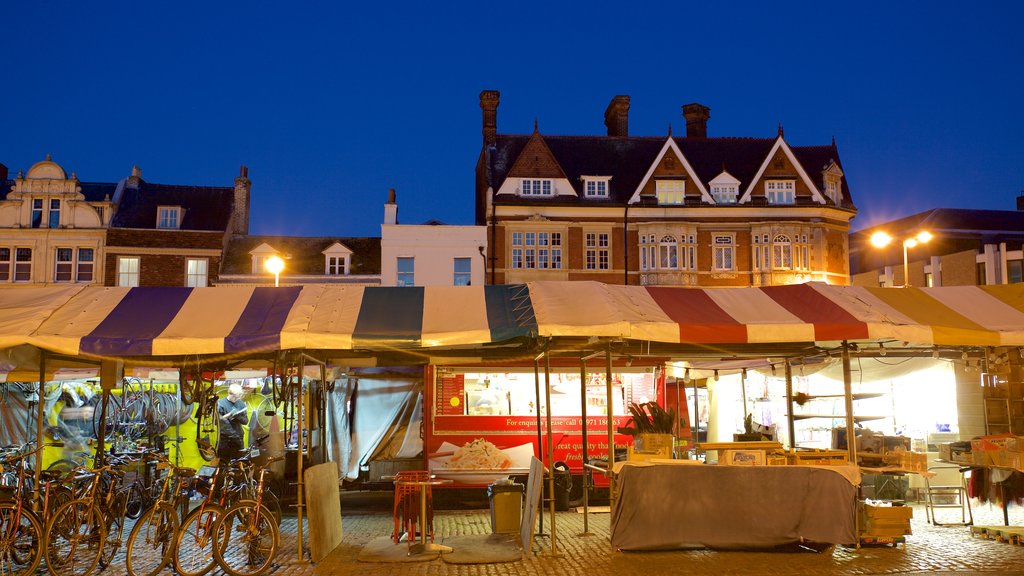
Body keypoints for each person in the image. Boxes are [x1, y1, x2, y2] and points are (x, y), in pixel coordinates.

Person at [217, 383, 249, 463]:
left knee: (239, 462)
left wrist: (238, 417)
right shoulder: (220, 403)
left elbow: (245, 421)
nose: (236, 399)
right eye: (234, 396)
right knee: (223, 462)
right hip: (224, 438)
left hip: (238, 437)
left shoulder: (241, 404)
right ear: (229, 393)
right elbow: (216, 421)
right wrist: (229, 415)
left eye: (238, 397)